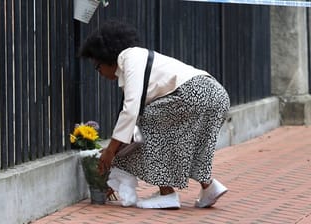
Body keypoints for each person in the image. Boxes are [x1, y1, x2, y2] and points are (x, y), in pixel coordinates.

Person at [79, 20, 230, 209]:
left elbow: (131, 109)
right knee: (192, 142)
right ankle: (209, 188)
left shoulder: (129, 57)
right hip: (216, 94)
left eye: (97, 66)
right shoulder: (138, 59)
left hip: (194, 93)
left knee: (144, 125)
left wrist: (110, 151)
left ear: (107, 57)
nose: (99, 72)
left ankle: (167, 194)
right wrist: (115, 155)